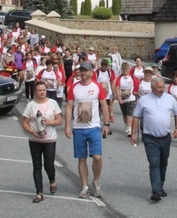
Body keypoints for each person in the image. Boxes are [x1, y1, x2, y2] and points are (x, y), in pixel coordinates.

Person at [131, 76, 177, 201]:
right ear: (152, 87)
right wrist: (133, 134)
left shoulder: (169, 98)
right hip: (150, 138)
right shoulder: (143, 100)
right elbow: (136, 117)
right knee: (154, 163)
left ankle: (160, 185)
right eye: (158, 87)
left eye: (162, 87)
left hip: (165, 138)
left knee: (163, 164)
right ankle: (156, 191)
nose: (161, 89)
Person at [65, 61, 111, 199]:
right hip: (79, 128)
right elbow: (69, 107)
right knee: (81, 159)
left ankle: (96, 181)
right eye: (81, 70)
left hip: (94, 127)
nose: (83, 73)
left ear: (91, 72)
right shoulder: (74, 87)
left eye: (86, 70)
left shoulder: (97, 86)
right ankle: (84, 186)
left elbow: (104, 106)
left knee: (97, 156)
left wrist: (106, 124)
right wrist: (67, 125)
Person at [21, 82, 62, 203]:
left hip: (49, 139)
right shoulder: (31, 106)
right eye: (39, 90)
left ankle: (52, 180)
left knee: (49, 165)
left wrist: (50, 122)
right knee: (37, 165)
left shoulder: (52, 103)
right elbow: (24, 122)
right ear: (35, 92)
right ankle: (39, 192)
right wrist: (32, 131)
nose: (42, 92)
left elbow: (59, 120)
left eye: (44, 90)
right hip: (35, 140)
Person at [114, 62, 140, 135]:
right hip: (122, 99)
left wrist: (136, 94)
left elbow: (136, 86)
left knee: (130, 113)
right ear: (122, 70)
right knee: (124, 113)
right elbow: (117, 88)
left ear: (128, 69)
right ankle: (126, 124)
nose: (125, 72)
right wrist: (119, 99)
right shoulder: (119, 78)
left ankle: (129, 129)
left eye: (126, 70)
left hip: (131, 98)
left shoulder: (132, 77)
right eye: (124, 70)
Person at [95, 59, 117, 129]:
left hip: (107, 95)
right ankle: (97, 125)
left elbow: (112, 82)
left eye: (105, 66)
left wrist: (113, 92)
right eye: (103, 65)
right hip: (98, 95)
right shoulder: (97, 72)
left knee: (106, 110)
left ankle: (106, 126)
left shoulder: (109, 72)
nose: (104, 67)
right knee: (97, 110)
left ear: (107, 66)